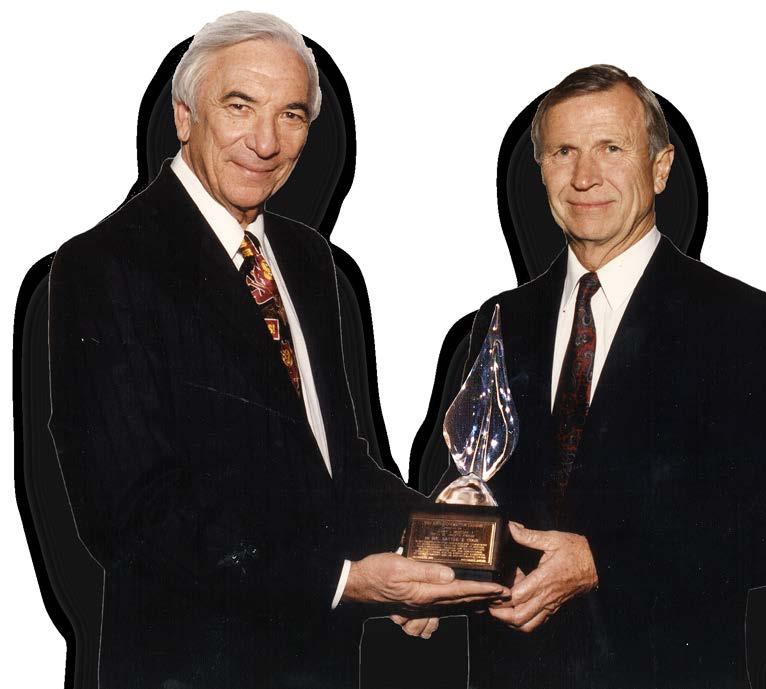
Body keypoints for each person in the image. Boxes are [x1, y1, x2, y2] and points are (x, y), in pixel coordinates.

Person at [47, 12, 506, 689]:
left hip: (319, 666)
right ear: (183, 117)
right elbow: (132, 516)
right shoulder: (105, 265)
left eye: (290, 115)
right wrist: (343, 580)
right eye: (240, 106)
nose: (265, 142)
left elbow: (335, 468)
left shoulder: (306, 259)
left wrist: (448, 543)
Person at [429, 65, 766, 688]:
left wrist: (601, 561)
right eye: (564, 152)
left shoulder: (738, 321)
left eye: (611, 148)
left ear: (660, 168)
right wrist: (430, 577)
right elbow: (466, 487)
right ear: (541, 172)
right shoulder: (500, 320)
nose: (585, 176)